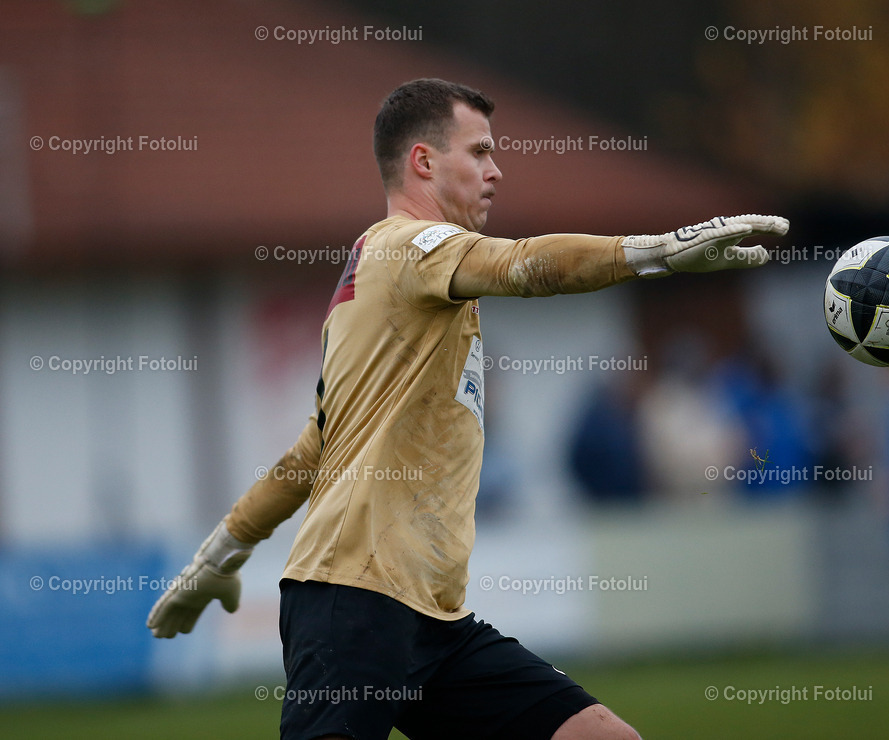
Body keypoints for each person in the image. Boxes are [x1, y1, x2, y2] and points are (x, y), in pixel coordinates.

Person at [146, 78, 788, 740]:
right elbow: (526, 266)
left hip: (432, 623)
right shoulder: (407, 246)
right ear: (424, 161)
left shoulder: (383, 290)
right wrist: (657, 253)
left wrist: (218, 556)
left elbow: (313, 449)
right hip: (355, 602)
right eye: (479, 152)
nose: (496, 170)